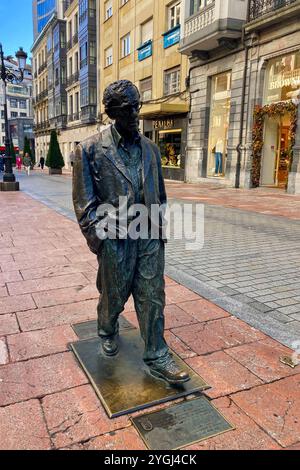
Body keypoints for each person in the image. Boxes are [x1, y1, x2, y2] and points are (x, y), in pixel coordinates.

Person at [73, 80, 190, 385]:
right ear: (112, 112)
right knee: (114, 295)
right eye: (128, 109)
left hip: (148, 234)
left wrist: (159, 226)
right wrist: (102, 241)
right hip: (115, 237)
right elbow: (84, 205)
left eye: (137, 107)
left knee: (153, 297)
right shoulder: (89, 150)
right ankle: (107, 328)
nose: (135, 115)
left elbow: (159, 195)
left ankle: (157, 354)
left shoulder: (151, 149)